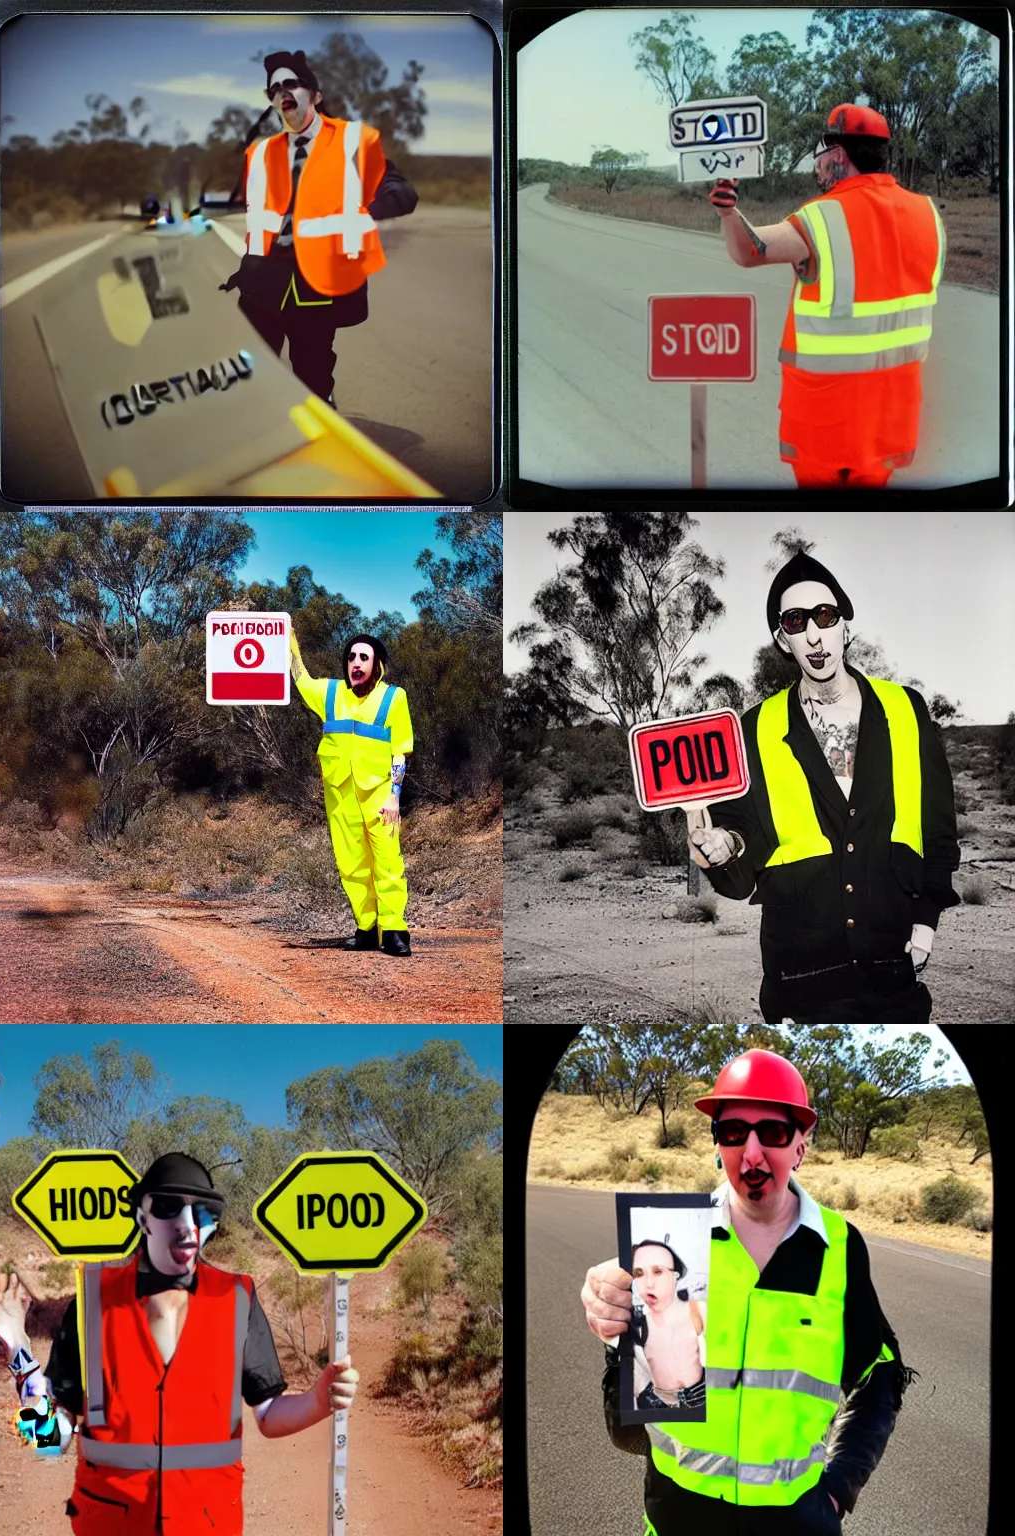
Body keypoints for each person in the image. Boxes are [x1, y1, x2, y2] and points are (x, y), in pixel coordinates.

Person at [581, 1048, 913, 1534]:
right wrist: (614, 1330)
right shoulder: (669, 1238)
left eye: (773, 1132)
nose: (751, 1153)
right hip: (677, 1519)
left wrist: (841, 1488)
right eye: (734, 1131)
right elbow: (628, 1426)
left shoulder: (839, 1249)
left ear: (800, 1145)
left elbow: (880, 1374)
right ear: (716, 1143)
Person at [0, 1152, 360, 1536]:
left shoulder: (238, 1299)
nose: (187, 1226)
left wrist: (319, 1401)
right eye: (168, 1207)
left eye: (201, 1212)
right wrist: (18, 1349)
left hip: (209, 1524)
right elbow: (49, 1442)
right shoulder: (91, 1303)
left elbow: (268, 1415)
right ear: (141, 1216)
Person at [688, 550, 958, 1023]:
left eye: (825, 616)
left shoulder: (904, 710)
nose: (813, 634)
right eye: (796, 621)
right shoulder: (755, 728)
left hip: (892, 969)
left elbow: (937, 824)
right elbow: (740, 840)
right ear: (782, 637)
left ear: (845, 627)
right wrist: (721, 846)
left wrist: (926, 922)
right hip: (799, 979)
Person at [709, 103, 945, 489]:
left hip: (826, 425)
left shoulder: (820, 218)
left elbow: (749, 251)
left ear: (838, 156)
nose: (816, 167)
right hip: (890, 421)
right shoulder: (928, 215)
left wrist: (728, 213)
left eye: (819, 157)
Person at [217, 48, 417, 411]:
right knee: (249, 374)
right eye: (273, 89)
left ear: (316, 95)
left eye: (290, 84)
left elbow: (402, 192)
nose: (281, 93)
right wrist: (248, 267)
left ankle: (319, 432)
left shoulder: (351, 143)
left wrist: (365, 213)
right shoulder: (259, 155)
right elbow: (262, 216)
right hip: (262, 283)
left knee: (312, 377)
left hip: (316, 285)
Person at [286, 621, 414, 955]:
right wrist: (288, 637)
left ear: (377, 666)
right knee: (351, 864)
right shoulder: (329, 693)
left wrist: (394, 797)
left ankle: (395, 931)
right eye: (352, 657)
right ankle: (367, 929)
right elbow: (299, 677)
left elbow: (399, 751)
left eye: (364, 658)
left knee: (387, 862)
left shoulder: (393, 698)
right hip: (340, 795)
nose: (356, 663)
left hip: (380, 795)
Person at [628, 1238, 705, 1412]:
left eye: (658, 1271)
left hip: (702, 1399)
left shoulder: (697, 1311)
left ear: (676, 1275)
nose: (648, 1283)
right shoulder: (637, 1327)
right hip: (661, 1405)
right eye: (639, 1274)